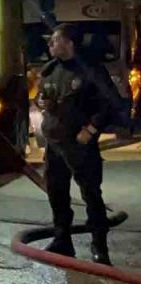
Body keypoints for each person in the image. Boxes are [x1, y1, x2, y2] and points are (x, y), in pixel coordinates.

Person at [36, 23, 125, 265]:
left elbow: (111, 104)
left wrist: (91, 129)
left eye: (55, 40)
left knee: (91, 195)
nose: (50, 44)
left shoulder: (90, 71)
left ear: (69, 43)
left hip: (80, 145)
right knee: (57, 193)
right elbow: (40, 96)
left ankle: (99, 246)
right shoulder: (49, 70)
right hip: (55, 144)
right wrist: (42, 104)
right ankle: (62, 240)